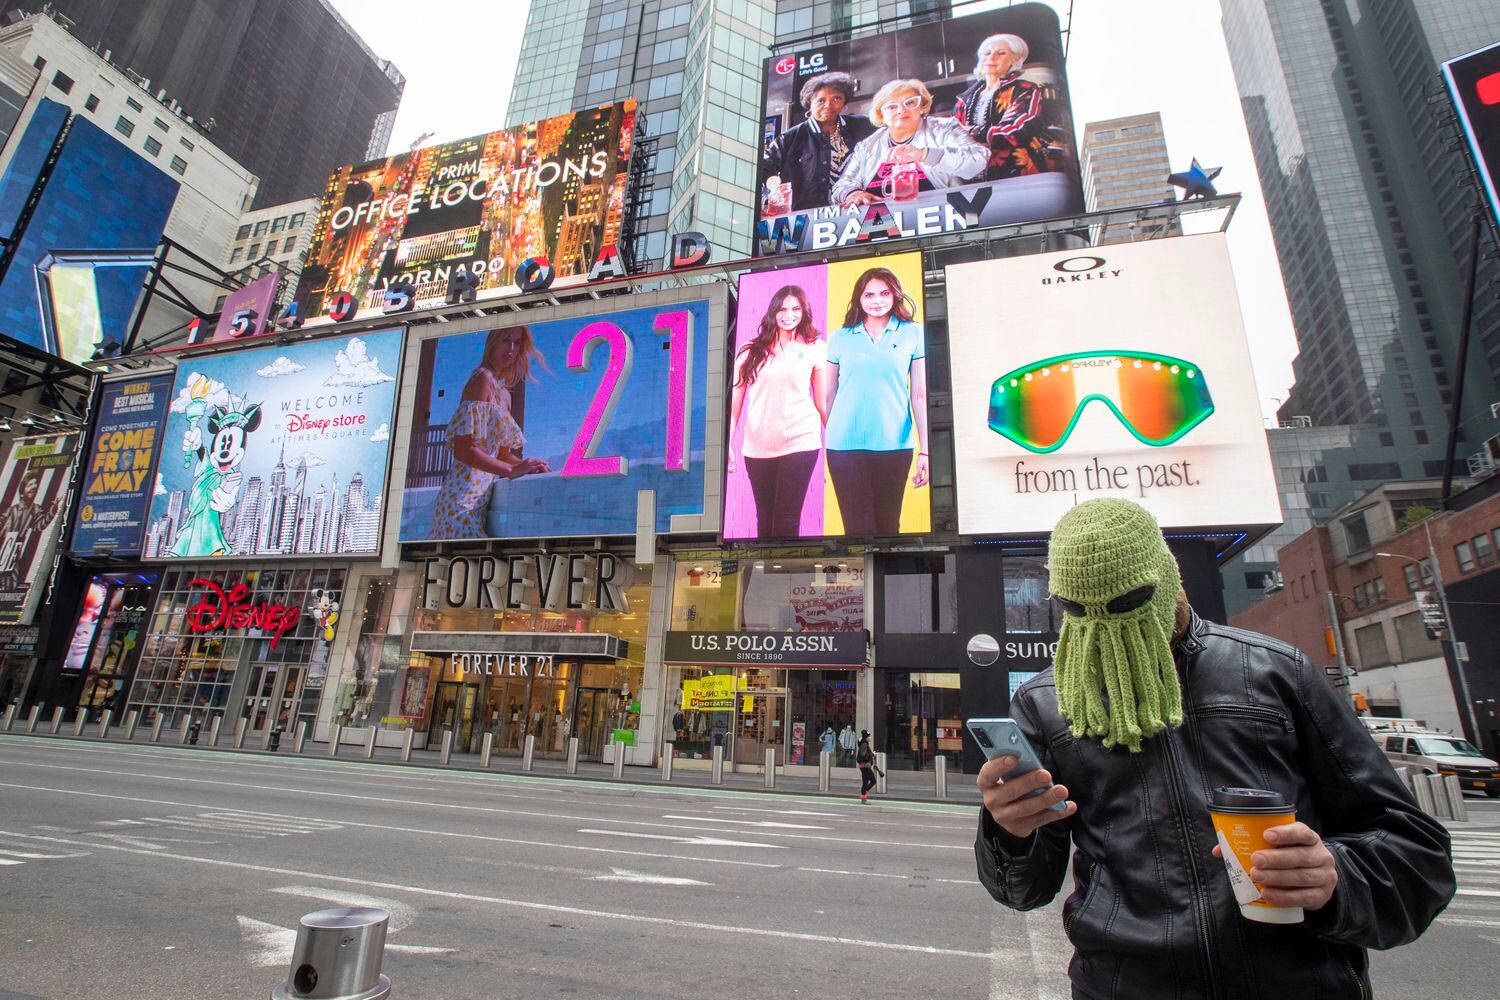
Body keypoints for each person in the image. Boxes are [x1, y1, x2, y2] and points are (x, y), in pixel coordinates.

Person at [975, 499, 1455, 999]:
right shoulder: (1048, 702)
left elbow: (1416, 853)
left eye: (1127, 601)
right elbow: (1024, 890)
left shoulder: (1274, 673)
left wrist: (1335, 876)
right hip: (1125, 985)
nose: (1105, 625)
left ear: (1168, 577)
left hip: (1297, 983)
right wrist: (1009, 832)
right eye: (1077, 609)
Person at [824, 267, 929, 536]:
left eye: (884, 293)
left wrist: (925, 451)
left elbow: (919, 395)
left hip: (894, 445)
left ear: (895, 295)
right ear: (858, 298)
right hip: (843, 447)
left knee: (888, 528)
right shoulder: (839, 338)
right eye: (869, 294)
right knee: (855, 531)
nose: (877, 300)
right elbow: (827, 395)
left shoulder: (914, 334)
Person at [430, 326, 551, 539]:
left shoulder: (505, 395)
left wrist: (527, 466)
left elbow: (501, 454)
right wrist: (511, 471)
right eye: (505, 340)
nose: (511, 349)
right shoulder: (481, 378)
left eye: (517, 343)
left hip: (479, 505)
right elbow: (463, 450)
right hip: (459, 502)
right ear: (492, 343)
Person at [729, 285, 830, 538]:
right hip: (757, 447)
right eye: (783, 308)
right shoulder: (748, 350)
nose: (789, 315)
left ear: (804, 312)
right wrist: (727, 444)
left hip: (801, 442)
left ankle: (786, 575)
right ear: (773, 311)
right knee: (764, 522)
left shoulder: (815, 347)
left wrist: (838, 447)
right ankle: (769, 573)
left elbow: (822, 402)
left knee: (786, 522)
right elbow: (734, 406)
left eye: (796, 309)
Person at [831, 79, 987, 208]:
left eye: (910, 103)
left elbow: (979, 161)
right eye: (892, 107)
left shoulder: (944, 129)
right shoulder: (867, 146)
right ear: (881, 115)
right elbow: (842, 185)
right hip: (884, 224)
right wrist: (854, 193)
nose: (901, 110)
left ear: (921, 106)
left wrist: (924, 154)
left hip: (942, 217)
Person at [762, 71, 875, 213]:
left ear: (844, 102)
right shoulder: (790, 138)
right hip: (810, 220)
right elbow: (763, 167)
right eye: (821, 100)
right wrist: (774, 193)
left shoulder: (863, 125)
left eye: (836, 99)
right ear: (810, 103)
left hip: (860, 210)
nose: (828, 105)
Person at [953, 33, 1060, 181]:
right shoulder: (964, 100)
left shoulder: (1025, 90)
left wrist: (973, 132)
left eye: (1001, 53)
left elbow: (1018, 131)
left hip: (1020, 174)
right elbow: (952, 137)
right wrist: (996, 129)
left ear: (1015, 59)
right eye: (987, 53)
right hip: (974, 179)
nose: (991, 57)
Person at [855, 730, 881, 802]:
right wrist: (872, 754)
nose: (870, 738)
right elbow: (864, 756)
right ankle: (863, 798)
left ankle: (864, 793)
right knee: (867, 782)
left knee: (871, 781)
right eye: (869, 736)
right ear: (866, 737)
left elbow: (864, 755)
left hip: (865, 766)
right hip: (864, 766)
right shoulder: (864, 745)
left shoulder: (864, 744)